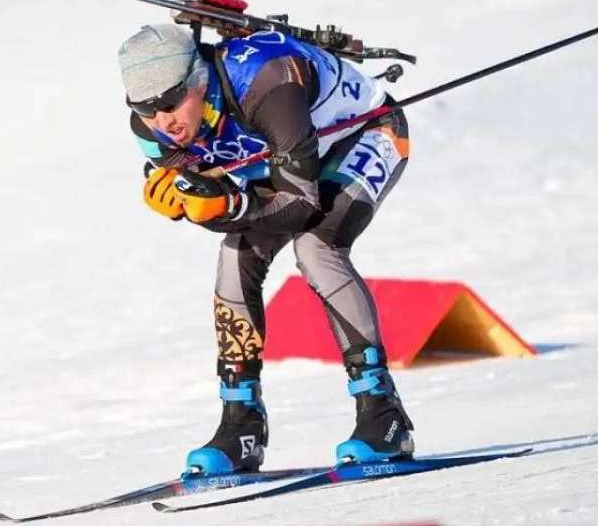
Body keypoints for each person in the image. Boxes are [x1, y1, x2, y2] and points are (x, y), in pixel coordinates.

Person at [116, 23, 415, 474]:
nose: (163, 122)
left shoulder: (267, 81)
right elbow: (218, 203)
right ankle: (242, 426)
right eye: (145, 109)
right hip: (285, 162)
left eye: (170, 103)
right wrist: (190, 204)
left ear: (198, 80)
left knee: (318, 247)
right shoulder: (152, 131)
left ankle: (384, 414)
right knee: (236, 257)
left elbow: (299, 204)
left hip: (366, 134)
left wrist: (227, 204)